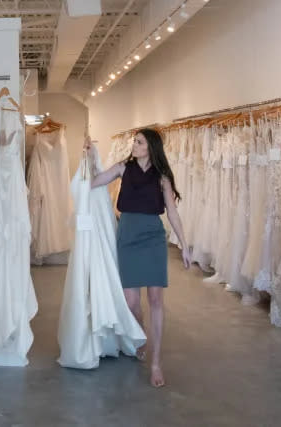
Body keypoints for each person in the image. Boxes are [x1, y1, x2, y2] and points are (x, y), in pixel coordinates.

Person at [84, 129, 189, 388]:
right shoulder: (123, 168)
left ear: (150, 147)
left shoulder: (162, 177)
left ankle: (155, 363)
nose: (134, 144)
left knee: (155, 299)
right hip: (128, 236)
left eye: (139, 142)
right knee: (131, 301)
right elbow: (94, 182)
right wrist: (87, 157)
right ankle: (140, 335)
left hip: (153, 237)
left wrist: (185, 245)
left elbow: (172, 213)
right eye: (135, 141)